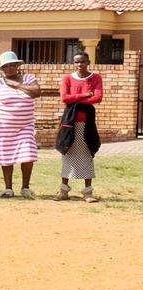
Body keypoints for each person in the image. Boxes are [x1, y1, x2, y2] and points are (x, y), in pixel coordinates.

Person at [0, 51, 42, 197]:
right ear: (2, 69)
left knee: (27, 155)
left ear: (17, 66)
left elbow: (36, 92)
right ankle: (8, 188)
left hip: (25, 126)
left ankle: (25, 187)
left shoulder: (28, 78)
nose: (9, 68)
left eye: (12, 65)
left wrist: (17, 85)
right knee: (6, 156)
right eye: (6, 66)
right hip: (4, 127)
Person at [57, 49, 102, 202]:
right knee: (67, 152)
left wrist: (74, 99)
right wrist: (84, 95)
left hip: (86, 122)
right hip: (70, 122)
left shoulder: (95, 78)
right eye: (77, 61)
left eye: (83, 61)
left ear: (88, 62)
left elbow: (97, 97)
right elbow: (64, 98)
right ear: (73, 63)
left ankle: (88, 192)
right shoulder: (67, 78)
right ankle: (63, 191)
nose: (80, 64)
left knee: (87, 153)